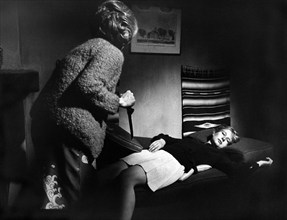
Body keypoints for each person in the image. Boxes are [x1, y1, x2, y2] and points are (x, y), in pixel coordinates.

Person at [29, 0, 138, 209]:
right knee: (73, 203)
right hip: (69, 134)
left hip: (48, 127)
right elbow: (87, 85)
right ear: (124, 31)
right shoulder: (112, 52)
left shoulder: (89, 46)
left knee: (51, 199)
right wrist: (120, 100)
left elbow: (82, 84)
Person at [95, 125, 273, 220]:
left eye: (227, 141)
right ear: (214, 132)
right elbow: (166, 137)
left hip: (170, 163)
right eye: (223, 134)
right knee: (112, 169)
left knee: (127, 177)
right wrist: (163, 141)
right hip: (155, 153)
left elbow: (237, 171)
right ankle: (81, 204)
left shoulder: (218, 155)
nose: (223, 139)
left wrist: (259, 163)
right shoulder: (193, 140)